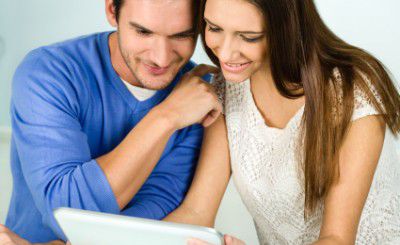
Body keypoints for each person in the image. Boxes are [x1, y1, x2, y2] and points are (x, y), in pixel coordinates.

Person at [165, 0, 400, 244]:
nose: (224, 54)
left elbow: (337, 238)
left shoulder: (353, 91)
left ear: (285, 29)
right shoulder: (226, 86)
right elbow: (197, 211)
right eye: (214, 28)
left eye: (248, 37)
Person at [0, 0, 222, 243]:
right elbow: (66, 213)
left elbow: (158, 216)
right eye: (143, 32)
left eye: (182, 35)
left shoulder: (198, 95)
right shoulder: (48, 73)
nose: (161, 58)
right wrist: (166, 117)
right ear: (112, 11)